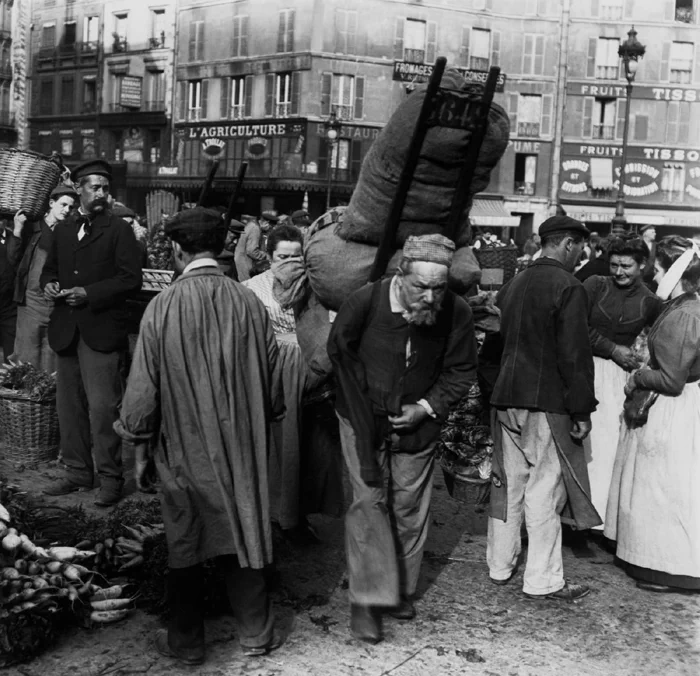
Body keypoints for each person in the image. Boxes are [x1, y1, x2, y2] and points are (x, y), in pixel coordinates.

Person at [114, 207, 285, 665]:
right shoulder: (249, 302)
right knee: (244, 524)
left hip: (184, 445)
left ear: (176, 248)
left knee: (185, 535)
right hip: (242, 445)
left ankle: (187, 642)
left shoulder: (163, 306)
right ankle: (256, 634)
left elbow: (142, 390)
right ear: (222, 248)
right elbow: (271, 382)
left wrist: (139, 446)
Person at [328, 234, 478, 644]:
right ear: (401, 275)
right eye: (421, 287)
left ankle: (398, 591)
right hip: (362, 421)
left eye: (439, 288)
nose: (430, 297)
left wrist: (425, 407)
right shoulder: (365, 301)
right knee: (369, 505)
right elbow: (339, 354)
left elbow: (461, 370)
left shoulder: (456, 312)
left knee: (409, 509)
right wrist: (367, 406)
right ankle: (367, 604)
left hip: (419, 427)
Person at [487, 215, 600, 602]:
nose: (580, 256)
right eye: (580, 248)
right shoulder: (569, 286)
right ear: (568, 244)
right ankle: (543, 580)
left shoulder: (513, 283)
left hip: (505, 398)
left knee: (508, 484)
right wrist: (582, 411)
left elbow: (491, 348)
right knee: (544, 490)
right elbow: (575, 356)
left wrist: (495, 390)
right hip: (547, 401)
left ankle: (500, 566)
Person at [40, 159, 142, 507]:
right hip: (66, 329)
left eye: (105, 188)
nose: (101, 193)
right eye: (94, 187)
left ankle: (111, 478)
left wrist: (90, 293)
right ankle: (77, 473)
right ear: (79, 189)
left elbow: (131, 278)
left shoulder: (118, 229)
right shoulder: (63, 231)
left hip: (101, 329)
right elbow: (49, 271)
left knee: (102, 408)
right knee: (69, 406)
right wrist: (50, 284)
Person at [606, 236, 700, 594]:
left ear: (675, 274)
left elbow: (672, 380)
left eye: (658, 269)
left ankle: (666, 567)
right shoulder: (686, 307)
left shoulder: (684, 315)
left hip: (673, 411)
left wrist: (638, 377)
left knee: (662, 490)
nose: (654, 275)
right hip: (685, 407)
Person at [581, 236, 661, 529]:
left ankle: (601, 521)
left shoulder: (650, 301)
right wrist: (612, 349)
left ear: (641, 265)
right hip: (584, 371)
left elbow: (661, 337)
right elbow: (575, 325)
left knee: (608, 447)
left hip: (618, 381)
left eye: (626, 266)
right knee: (583, 444)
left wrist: (643, 358)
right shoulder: (594, 285)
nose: (619, 272)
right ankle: (572, 515)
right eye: (614, 264)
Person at [13, 185, 77, 372]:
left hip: (55, 301)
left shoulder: (69, 233)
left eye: (71, 207)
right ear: (51, 203)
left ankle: (47, 399)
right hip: (30, 302)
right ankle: (23, 400)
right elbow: (13, 260)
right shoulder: (32, 229)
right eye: (63, 204)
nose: (67, 210)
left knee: (51, 356)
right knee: (26, 354)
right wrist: (17, 230)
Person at [234, 211, 278, 281]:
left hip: (241, 259)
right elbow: (252, 251)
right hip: (245, 262)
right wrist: (266, 256)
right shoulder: (255, 229)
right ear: (266, 222)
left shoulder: (251, 224)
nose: (270, 229)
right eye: (270, 226)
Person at [640, 224, 657, 289]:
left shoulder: (656, 245)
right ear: (645, 233)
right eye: (653, 232)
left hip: (651, 279)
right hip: (639, 277)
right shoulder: (637, 243)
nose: (655, 234)